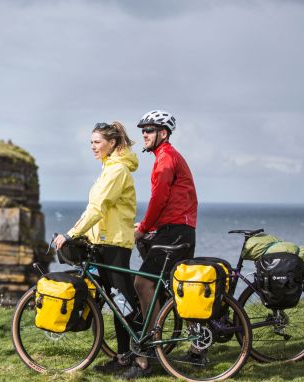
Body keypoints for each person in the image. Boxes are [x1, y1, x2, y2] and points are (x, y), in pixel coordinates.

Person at [53, 121, 141, 374]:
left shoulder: (116, 171)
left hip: (114, 244)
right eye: (90, 142)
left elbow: (97, 208)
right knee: (116, 302)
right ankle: (123, 357)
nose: (93, 147)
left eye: (97, 142)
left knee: (122, 302)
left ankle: (139, 358)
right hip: (104, 241)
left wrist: (70, 234)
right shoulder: (109, 168)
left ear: (112, 143)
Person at [124, 110, 198, 379]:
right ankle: (198, 347)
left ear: (163, 133)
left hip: (175, 232)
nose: (143, 134)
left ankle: (150, 352)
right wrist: (148, 227)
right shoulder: (165, 156)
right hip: (177, 229)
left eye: (149, 130)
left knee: (142, 283)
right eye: (142, 130)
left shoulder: (166, 159)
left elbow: (159, 199)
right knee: (178, 287)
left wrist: (143, 228)